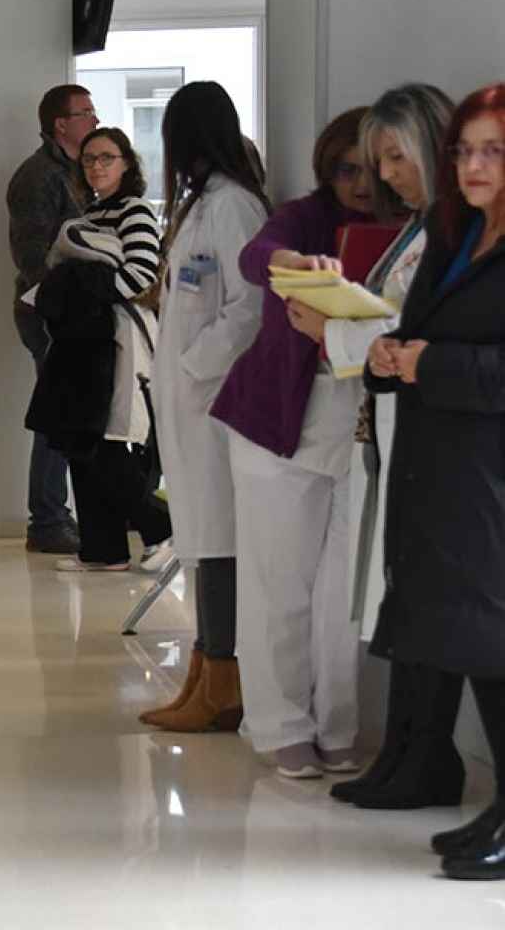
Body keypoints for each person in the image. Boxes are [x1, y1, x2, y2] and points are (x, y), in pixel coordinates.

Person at [362, 84, 505, 879]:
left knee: (493, 644)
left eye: (492, 150)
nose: (473, 164)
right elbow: (415, 334)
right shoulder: (459, 236)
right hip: (442, 474)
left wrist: (428, 364)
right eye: (465, 149)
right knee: (473, 644)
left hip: (489, 480)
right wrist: (389, 359)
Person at [210, 107, 374, 778]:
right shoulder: (302, 218)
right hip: (276, 426)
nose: (363, 182)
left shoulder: (419, 231)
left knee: (342, 593)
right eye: (347, 169)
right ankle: (281, 724)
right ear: (325, 170)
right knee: (280, 582)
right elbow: (255, 256)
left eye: (378, 166)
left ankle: (336, 725)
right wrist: (288, 262)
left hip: (361, 434)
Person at [324, 85, 460, 809]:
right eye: (379, 162)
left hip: (430, 436)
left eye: (395, 157)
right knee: (396, 606)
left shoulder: (458, 236)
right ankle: (405, 751)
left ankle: (426, 758)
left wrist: (346, 331)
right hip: (393, 430)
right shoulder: (418, 228)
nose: (387, 174)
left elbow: (409, 331)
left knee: (422, 607)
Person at [141, 81, 270, 733]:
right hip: (188, 402)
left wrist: (193, 368)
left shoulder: (232, 207)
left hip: (213, 402)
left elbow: (248, 308)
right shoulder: (199, 204)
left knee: (216, 538)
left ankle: (223, 680)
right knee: (198, 536)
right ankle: (204, 666)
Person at [25, 126, 173, 573]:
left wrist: (84, 290)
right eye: (89, 159)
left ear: (127, 164)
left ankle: (162, 530)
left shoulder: (135, 212)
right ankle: (101, 549)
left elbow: (141, 275)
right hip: (80, 342)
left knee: (108, 446)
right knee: (78, 442)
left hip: (117, 339)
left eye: (107, 158)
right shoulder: (88, 214)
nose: (96, 166)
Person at [7, 84, 97, 554]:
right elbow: (31, 257)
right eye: (85, 112)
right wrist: (62, 308)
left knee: (68, 411)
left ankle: (61, 512)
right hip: (49, 312)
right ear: (60, 124)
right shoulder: (38, 176)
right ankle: (46, 518)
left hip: (80, 310)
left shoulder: (82, 172)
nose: (94, 120)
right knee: (56, 412)